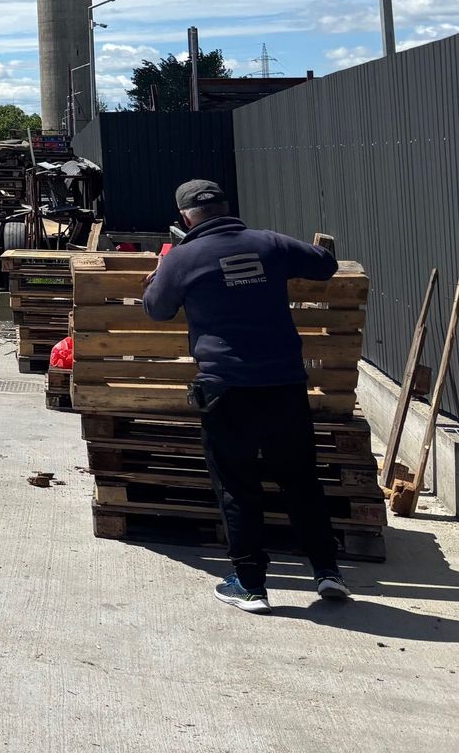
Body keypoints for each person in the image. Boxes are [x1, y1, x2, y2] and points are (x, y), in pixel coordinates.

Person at [142, 179, 352, 613]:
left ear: (185, 218)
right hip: (283, 384)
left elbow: (157, 310)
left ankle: (251, 584)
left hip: (226, 389)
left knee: (237, 484)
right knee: (300, 478)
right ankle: (327, 570)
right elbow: (325, 265)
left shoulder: (181, 258)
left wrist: (159, 277)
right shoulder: (269, 243)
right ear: (226, 207)